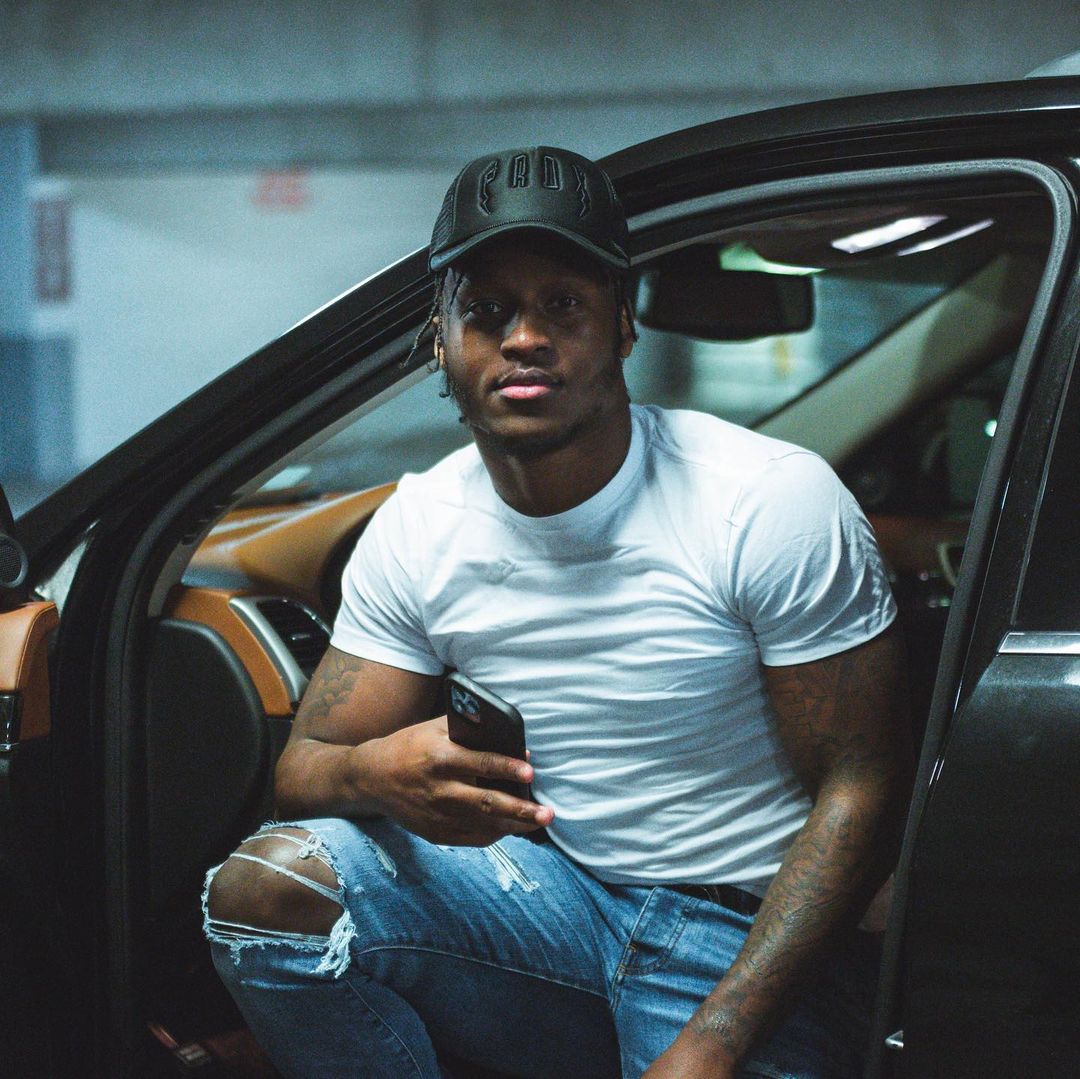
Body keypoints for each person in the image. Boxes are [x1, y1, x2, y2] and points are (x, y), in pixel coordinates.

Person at [204, 146, 911, 1079]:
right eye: (488, 311)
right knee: (266, 890)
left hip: (747, 933)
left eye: (563, 305)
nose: (525, 338)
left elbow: (864, 788)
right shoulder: (421, 523)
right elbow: (303, 772)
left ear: (622, 325)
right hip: (554, 905)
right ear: (441, 339)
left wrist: (712, 1042)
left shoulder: (765, 500)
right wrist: (378, 771)